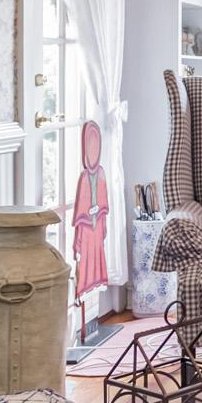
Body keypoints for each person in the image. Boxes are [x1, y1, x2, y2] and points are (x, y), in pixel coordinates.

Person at [71, 120, 109, 298]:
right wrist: (88, 214)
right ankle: (83, 293)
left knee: (97, 259)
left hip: (97, 224)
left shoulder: (100, 173)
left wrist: (99, 210)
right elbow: (80, 210)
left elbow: (104, 202)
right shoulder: (85, 177)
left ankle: (93, 294)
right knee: (85, 261)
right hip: (87, 227)